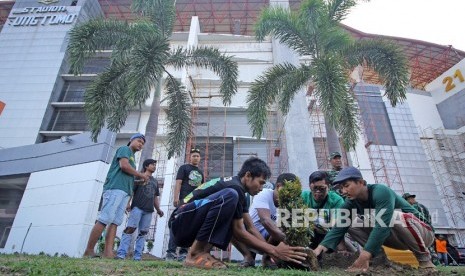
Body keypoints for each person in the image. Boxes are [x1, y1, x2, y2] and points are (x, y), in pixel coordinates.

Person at [169, 157, 307, 269]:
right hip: (180, 221)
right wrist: (274, 250)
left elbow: (250, 227)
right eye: (260, 182)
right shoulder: (234, 189)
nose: (261, 188)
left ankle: (203, 253)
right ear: (248, 175)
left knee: (232, 214)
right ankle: (195, 254)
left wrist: (266, 254)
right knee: (230, 196)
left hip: (186, 225)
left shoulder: (240, 192)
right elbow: (239, 231)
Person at [312, 167, 436, 272]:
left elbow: (382, 225)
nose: (343, 191)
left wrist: (365, 255)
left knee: (393, 216)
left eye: (346, 186)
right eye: (341, 188)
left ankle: (425, 261)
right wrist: (319, 248)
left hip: (423, 234)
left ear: (360, 182)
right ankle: (380, 259)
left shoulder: (381, 192)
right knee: (349, 222)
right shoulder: (350, 202)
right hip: (395, 239)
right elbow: (338, 228)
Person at [83, 133, 149, 258]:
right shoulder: (124, 149)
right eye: (139, 141)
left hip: (125, 191)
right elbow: (123, 166)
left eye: (143, 143)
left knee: (115, 222)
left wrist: (138, 181)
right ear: (131, 140)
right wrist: (141, 175)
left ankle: (108, 253)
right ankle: (89, 250)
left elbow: (127, 175)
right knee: (105, 218)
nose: (141, 144)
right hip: (115, 188)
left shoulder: (132, 158)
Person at [235, 173, 297, 268]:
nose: (289, 194)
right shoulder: (264, 193)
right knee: (274, 227)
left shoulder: (288, 203)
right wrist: (285, 240)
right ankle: (248, 257)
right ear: (278, 186)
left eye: (292, 192)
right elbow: (265, 221)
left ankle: (267, 259)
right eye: (288, 190)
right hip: (249, 234)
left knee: (285, 227)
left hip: (268, 237)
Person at [115, 159, 164, 261]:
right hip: (137, 207)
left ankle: (137, 257)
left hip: (149, 211)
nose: (154, 166)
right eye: (152, 164)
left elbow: (155, 197)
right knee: (130, 230)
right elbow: (131, 191)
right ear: (146, 166)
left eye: (155, 165)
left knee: (143, 233)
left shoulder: (155, 181)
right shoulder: (138, 176)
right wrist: (128, 203)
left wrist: (158, 209)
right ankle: (121, 254)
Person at [166, 147, 204, 261]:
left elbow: (202, 189)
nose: (195, 157)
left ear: (200, 158)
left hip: (195, 203)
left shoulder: (201, 172)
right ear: (190, 157)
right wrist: (176, 197)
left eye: (197, 156)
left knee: (189, 227)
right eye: (193, 155)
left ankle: (183, 253)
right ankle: (171, 253)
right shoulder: (184, 168)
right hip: (183, 200)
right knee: (175, 224)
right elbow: (178, 183)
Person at [301, 171, 345, 249]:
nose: (318, 191)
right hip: (306, 234)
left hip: (327, 235)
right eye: (314, 188)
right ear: (309, 186)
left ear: (328, 186)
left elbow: (337, 225)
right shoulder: (303, 197)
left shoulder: (336, 200)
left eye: (322, 188)